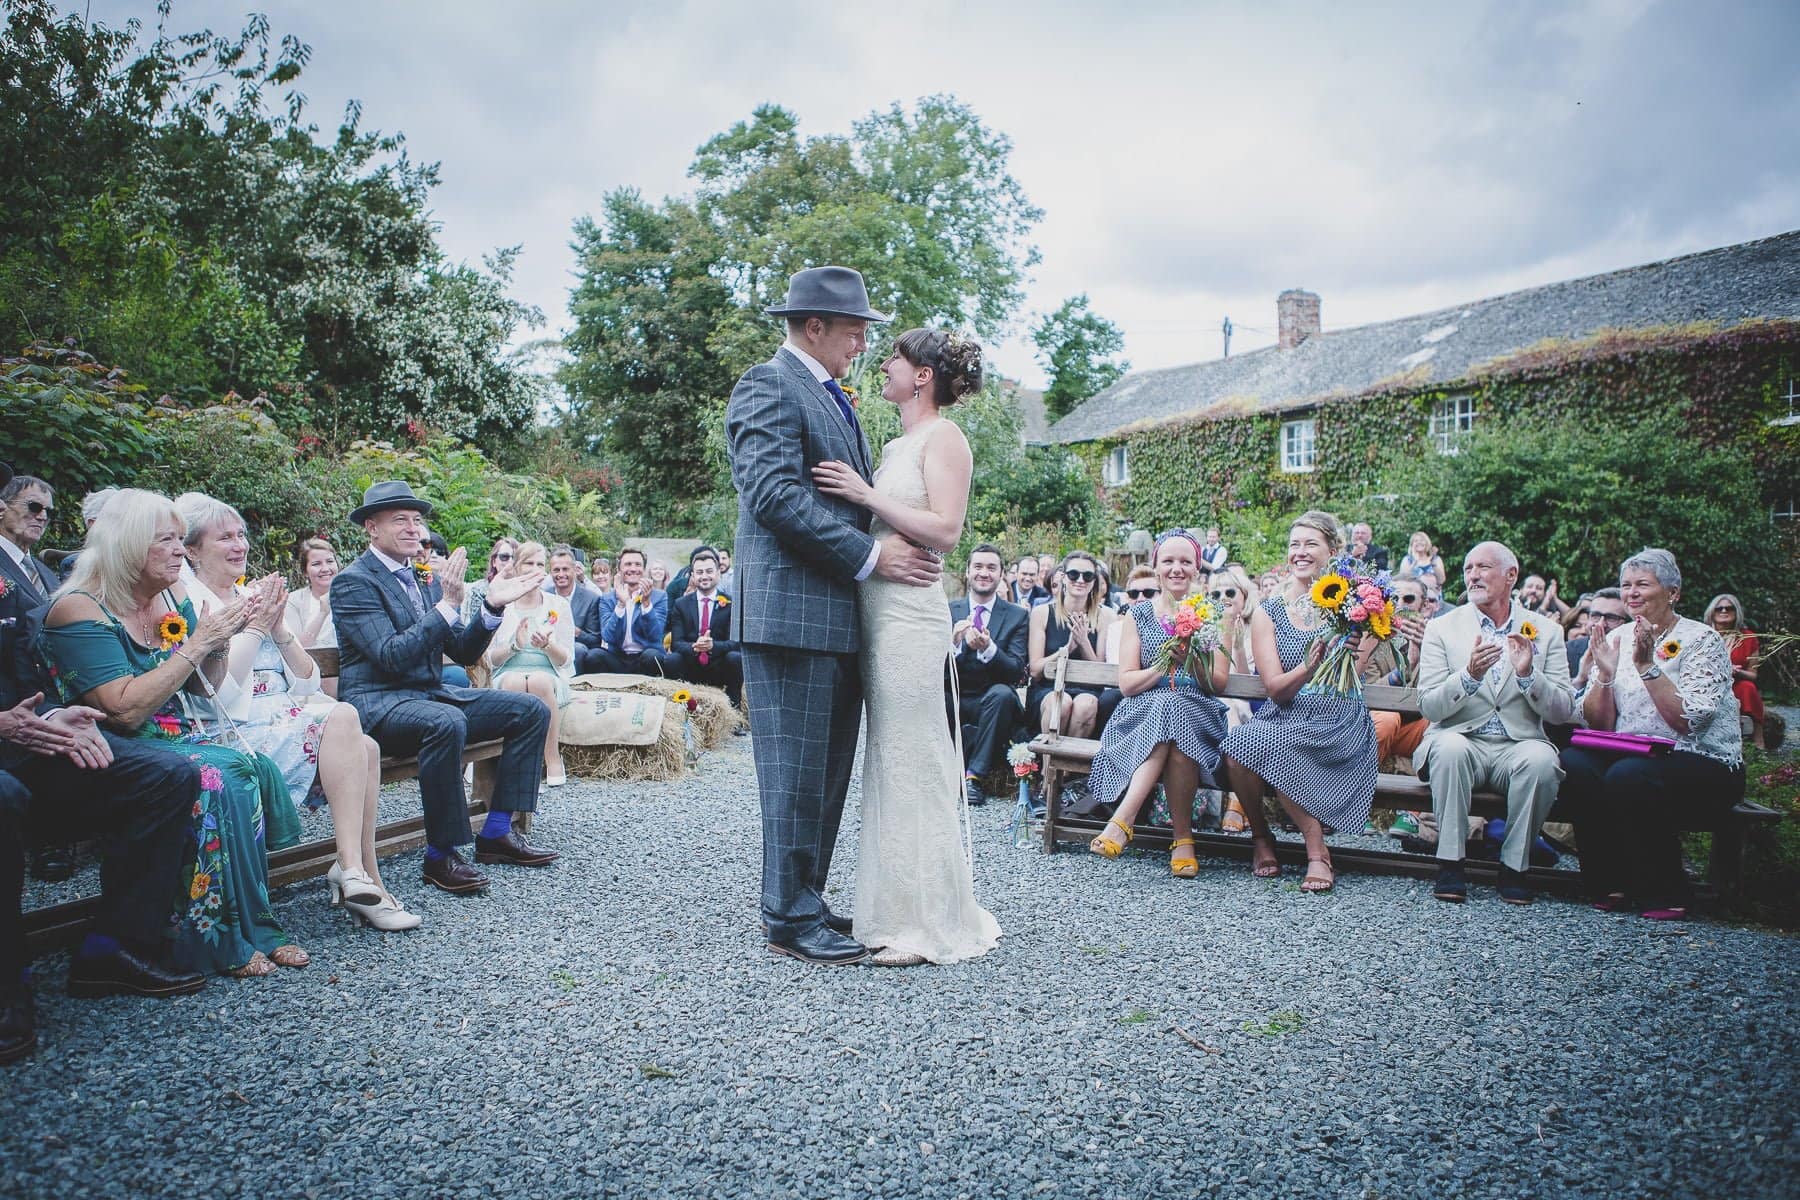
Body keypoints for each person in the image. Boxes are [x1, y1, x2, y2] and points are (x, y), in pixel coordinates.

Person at [728, 267, 946, 968]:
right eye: (856, 330)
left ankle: (807, 899)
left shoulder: (828, 393)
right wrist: (870, 558)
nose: (863, 343)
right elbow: (773, 498)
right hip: (790, 617)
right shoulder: (769, 384)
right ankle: (787, 916)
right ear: (814, 326)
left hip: (833, 620)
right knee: (794, 773)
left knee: (822, 774)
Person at [39, 489, 306, 977]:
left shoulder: (170, 596)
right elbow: (123, 710)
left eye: (181, 540)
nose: (180, 552)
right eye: (167, 540)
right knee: (217, 776)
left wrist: (220, 643)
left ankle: (256, 925)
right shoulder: (78, 608)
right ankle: (214, 935)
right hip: (105, 744)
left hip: (173, 735)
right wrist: (200, 641)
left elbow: (209, 689)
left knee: (244, 766)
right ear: (128, 544)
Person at [1, 465, 206, 1064]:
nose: (36, 517)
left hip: (31, 739)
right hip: (12, 752)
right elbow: (123, 704)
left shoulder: (29, 578)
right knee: (5, 799)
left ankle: (114, 947)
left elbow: (30, 679)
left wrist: (52, 720)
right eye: (163, 538)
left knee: (164, 773)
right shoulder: (72, 600)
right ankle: (9, 984)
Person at [811, 321, 1001, 967]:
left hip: (911, 624)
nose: (882, 363)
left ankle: (928, 925)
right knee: (890, 762)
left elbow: (946, 531)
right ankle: (894, 912)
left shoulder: (944, 437)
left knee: (915, 761)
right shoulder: (899, 443)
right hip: (877, 617)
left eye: (893, 356)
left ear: (922, 375)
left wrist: (864, 495)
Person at [175, 495, 418, 929]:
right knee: (344, 718)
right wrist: (252, 626)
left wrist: (279, 628)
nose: (239, 545)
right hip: (232, 729)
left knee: (367, 747)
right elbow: (219, 697)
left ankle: (364, 875)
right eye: (224, 537)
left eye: (241, 535)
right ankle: (352, 869)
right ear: (192, 549)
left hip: (284, 716)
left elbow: (305, 682)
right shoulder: (190, 605)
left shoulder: (254, 594)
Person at [331, 481, 557, 896]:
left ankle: (496, 832)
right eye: (399, 519)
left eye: (416, 520)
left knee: (531, 710)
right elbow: (391, 656)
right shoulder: (353, 582)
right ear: (371, 528)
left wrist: (491, 607)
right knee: (445, 721)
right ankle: (441, 855)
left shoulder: (427, 580)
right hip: (377, 704)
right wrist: (448, 606)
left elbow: (463, 650)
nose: (412, 528)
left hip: (428, 697)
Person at [1561, 549, 1743, 920]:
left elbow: (1689, 722)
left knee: (1629, 775)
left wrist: (1647, 667)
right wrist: (1606, 676)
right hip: (1635, 756)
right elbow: (1598, 723)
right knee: (1574, 763)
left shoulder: (1701, 640)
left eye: (1643, 584)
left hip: (1704, 762)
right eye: (1626, 585)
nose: (1631, 593)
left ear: (1672, 592)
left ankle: (1665, 890)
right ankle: (1608, 882)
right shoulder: (1618, 637)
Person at [1220, 511, 1379, 892]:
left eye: (1311, 544)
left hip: (1338, 716)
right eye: (1294, 544)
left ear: (1332, 550)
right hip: (1287, 710)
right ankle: (1261, 837)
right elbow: (1275, 687)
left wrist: (1361, 645)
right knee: (1238, 746)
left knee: (1281, 746)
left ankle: (1315, 850)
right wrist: (1309, 667)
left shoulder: (1354, 605)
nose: (1300, 552)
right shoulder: (1269, 611)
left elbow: (1351, 674)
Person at [1414, 542, 1576, 904]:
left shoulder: (1546, 631)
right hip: (1460, 738)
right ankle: (1450, 863)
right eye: (1468, 567)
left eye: (1483, 567)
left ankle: (1515, 867)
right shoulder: (1442, 628)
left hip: (1517, 745)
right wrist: (1468, 677)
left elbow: (1563, 710)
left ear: (1511, 576)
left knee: (1541, 761)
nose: (1472, 575)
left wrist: (1529, 676)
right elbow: (1429, 706)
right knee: (1450, 748)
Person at [1084, 530, 1235, 877]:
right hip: (1141, 714)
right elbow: (1127, 682)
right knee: (1169, 711)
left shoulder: (1215, 613)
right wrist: (1164, 664)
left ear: (1197, 569)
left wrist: (1192, 658)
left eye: (1185, 562)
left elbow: (1219, 683)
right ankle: (1183, 840)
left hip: (1199, 711)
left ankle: (1123, 819)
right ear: (1155, 566)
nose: (1177, 569)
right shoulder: (1139, 615)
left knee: (1176, 711)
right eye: (1168, 561)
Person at [485, 541, 574, 787]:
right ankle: (516, 762)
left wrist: (547, 646)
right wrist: (514, 645)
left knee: (538, 681)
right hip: (508, 670)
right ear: (515, 568)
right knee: (514, 682)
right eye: (528, 563)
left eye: (539, 564)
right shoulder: (501, 605)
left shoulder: (558, 605)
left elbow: (567, 660)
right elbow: (488, 660)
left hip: (549, 672)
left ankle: (551, 757)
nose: (534, 569)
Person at [948, 544, 1027, 808]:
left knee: (1003, 694)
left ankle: (974, 777)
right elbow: (930, 667)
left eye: (991, 568)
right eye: (979, 567)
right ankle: (942, 774)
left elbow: (1016, 672)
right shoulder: (948, 610)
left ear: (1001, 574)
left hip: (993, 699)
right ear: (967, 571)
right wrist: (954, 645)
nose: (984, 573)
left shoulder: (1017, 616)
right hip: (955, 695)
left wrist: (989, 649)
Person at [1026, 550, 1115, 739]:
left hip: (1089, 689)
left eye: (1088, 576)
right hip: (1047, 688)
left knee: (1085, 705)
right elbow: (1035, 669)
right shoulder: (1042, 613)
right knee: (1061, 703)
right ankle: (1048, 766)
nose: (1080, 580)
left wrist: (1083, 642)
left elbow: (1102, 671)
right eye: (1074, 574)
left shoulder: (1106, 616)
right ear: (1064, 578)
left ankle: (1067, 768)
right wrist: (1067, 649)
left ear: (1094, 583)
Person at [666, 546, 742, 707]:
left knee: (736, 658)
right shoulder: (681, 604)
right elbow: (676, 643)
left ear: (718, 573)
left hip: (718, 665)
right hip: (691, 663)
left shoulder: (730, 604)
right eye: (699, 573)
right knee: (672, 659)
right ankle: (677, 708)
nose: (705, 576)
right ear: (693, 576)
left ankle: (734, 711)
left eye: (709, 571)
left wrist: (712, 645)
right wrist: (695, 647)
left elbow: (735, 642)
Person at [581, 547, 669, 676]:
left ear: (644, 570)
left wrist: (646, 603)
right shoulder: (607, 599)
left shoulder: (659, 596)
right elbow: (607, 636)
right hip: (617, 657)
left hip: (644, 657)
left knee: (652, 656)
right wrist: (621, 604)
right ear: (619, 570)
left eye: (638, 564)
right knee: (594, 656)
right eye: (628, 564)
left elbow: (655, 636)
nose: (633, 569)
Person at [1706, 593, 1764, 750]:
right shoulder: (1702, 635)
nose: (1724, 611)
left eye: (1729, 608)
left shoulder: (1749, 637)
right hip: (1708, 684)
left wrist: (1737, 673)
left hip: (1736, 684)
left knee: (1748, 687)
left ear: (1736, 612)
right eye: (1719, 608)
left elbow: (1753, 675)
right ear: (1712, 612)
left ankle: (1759, 741)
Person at [285, 537, 340, 654]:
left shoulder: (353, 596)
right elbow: (297, 647)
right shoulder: (293, 601)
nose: (325, 569)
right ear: (305, 571)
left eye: (330, 561)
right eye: (316, 564)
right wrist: (323, 613)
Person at [1569, 588, 1629, 691]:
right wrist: (1580, 679)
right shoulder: (1567, 650)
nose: (1601, 624)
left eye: (1611, 618)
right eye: (1595, 616)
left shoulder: (1633, 655)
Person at [461, 537, 519, 625]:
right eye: (504, 557)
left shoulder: (524, 591)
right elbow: (475, 627)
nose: (510, 562)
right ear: (494, 562)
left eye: (515, 558)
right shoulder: (478, 591)